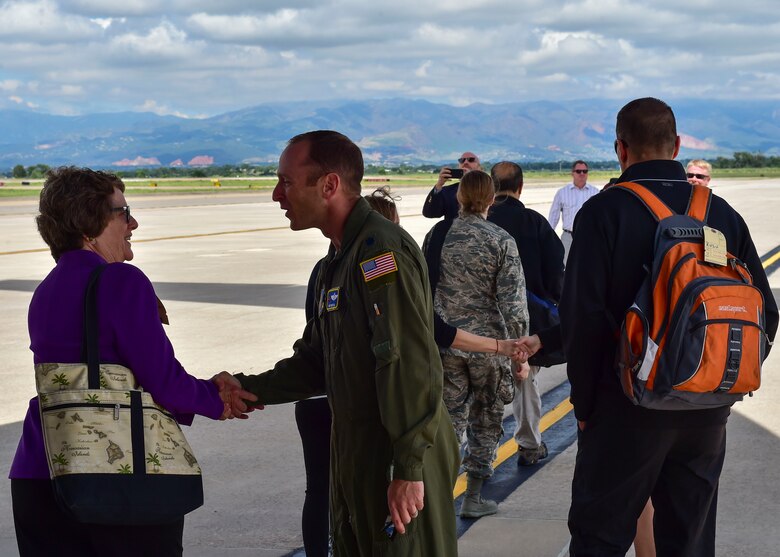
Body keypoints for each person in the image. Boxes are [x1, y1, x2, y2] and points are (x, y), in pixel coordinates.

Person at [560, 97, 778, 555]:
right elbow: (766, 312)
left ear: (620, 149)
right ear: (676, 146)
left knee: (599, 537)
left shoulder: (602, 214)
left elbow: (582, 321)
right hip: (706, 412)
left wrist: (584, 406)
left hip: (625, 410)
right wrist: (715, 377)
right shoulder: (722, 214)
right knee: (690, 542)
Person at [231, 131, 460, 556]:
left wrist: (408, 467)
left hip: (397, 447)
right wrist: (246, 388)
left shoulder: (379, 253)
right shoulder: (338, 260)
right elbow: (317, 361)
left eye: (286, 181)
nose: (277, 195)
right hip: (357, 445)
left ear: (329, 185)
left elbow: (409, 360)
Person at [9, 167, 256, 557]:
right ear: (89, 224)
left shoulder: (46, 290)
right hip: (114, 480)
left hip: (41, 474)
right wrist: (217, 398)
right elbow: (163, 380)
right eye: (124, 212)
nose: (133, 223)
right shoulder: (120, 281)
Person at [423, 169, 529, 518]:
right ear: (490, 199)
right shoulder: (500, 240)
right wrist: (521, 353)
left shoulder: (437, 235)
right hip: (489, 346)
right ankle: (474, 495)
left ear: (459, 197)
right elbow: (513, 303)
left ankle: (436, 495)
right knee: (486, 418)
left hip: (447, 344)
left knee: (449, 420)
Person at [487, 161, 565, 466]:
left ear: (492, 187)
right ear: (520, 187)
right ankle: (529, 444)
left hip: (479, 323)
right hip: (525, 319)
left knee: (481, 389)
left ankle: (481, 458)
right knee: (525, 381)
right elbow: (556, 268)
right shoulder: (534, 222)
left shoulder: (477, 223)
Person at [547, 160, 599, 262]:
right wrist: (548, 239)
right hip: (568, 237)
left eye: (585, 171)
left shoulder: (595, 192)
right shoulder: (562, 193)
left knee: (588, 267)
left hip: (589, 237)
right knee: (566, 268)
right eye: (578, 171)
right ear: (572, 173)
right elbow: (553, 218)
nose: (582, 174)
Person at [422, 151, 481, 220]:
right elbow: (430, 213)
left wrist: (470, 181)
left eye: (471, 160)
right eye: (461, 160)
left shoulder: (488, 189)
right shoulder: (447, 191)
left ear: (479, 168)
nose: (465, 162)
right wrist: (439, 185)